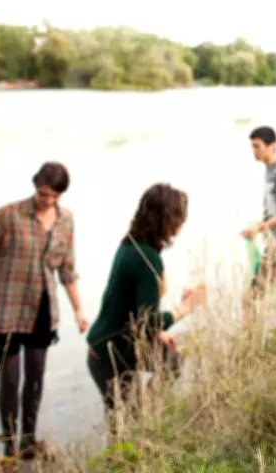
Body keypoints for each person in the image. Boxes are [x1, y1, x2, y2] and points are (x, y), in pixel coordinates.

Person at [0, 161, 88, 461]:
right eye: (42, 193)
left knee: (35, 378)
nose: (47, 200)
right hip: (3, 311)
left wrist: (79, 310)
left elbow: (67, 269)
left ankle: (29, 441)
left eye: (53, 196)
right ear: (35, 186)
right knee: (10, 381)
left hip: (42, 310)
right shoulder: (7, 216)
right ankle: (10, 447)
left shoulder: (67, 220)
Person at [86, 183, 206, 429]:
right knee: (127, 429)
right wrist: (185, 308)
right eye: (179, 217)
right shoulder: (148, 259)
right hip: (111, 355)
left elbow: (132, 309)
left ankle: (147, 415)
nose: (182, 224)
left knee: (126, 424)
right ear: (167, 219)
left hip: (104, 348)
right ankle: (148, 415)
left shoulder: (130, 244)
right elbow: (147, 322)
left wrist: (159, 333)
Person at [240, 126, 276, 319]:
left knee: (252, 297)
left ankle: (250, 334)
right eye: (252, 147)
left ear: (272, 146)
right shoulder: (270, 172)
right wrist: (257, 227)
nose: (254, 151)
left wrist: (261, 228)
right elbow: (274, 213)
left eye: (257, 146)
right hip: (275, 243)